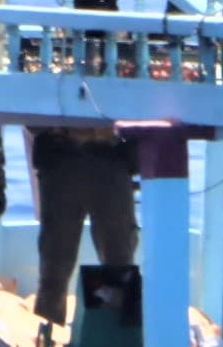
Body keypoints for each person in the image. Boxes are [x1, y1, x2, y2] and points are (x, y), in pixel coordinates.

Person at [27, 123, 139, 326]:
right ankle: (47, 342)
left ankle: (117, 341)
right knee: (55, 266)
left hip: (112, 157)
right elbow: (31, 118)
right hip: (61, 157)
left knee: (119, 261)